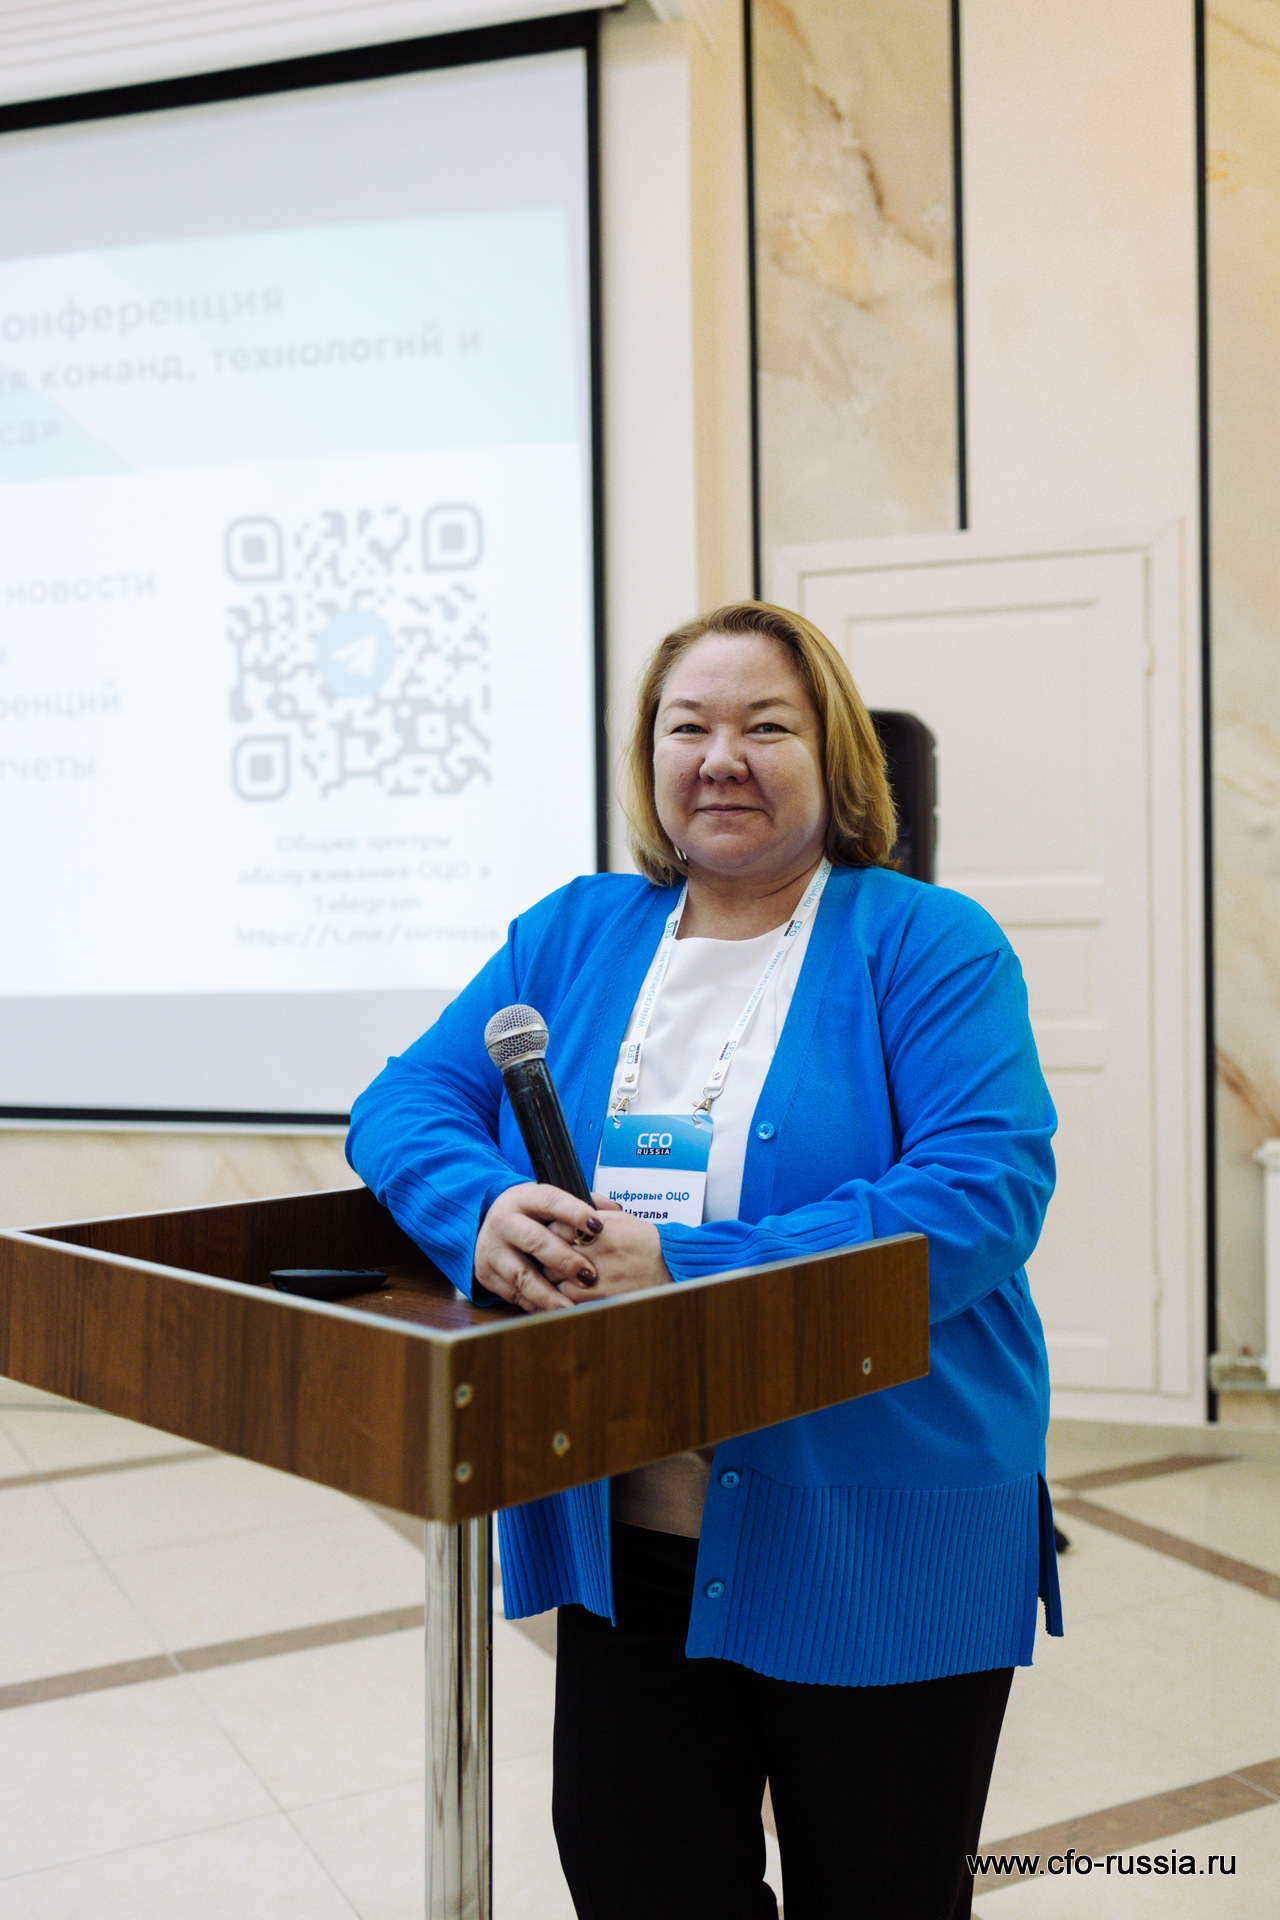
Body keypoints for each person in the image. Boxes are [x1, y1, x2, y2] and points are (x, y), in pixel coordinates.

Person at [347, 600, 1062, 1920]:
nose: (721, 757)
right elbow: (406, 1103)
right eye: (688, 727)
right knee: (642, 1885)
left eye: (765, 726)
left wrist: (686, 1265)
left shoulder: (927, 941)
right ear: (650, 758)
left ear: (837, 757)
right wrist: (480, 1208)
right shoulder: (573, 933)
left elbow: (981, 1193)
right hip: (632, 1535)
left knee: (883, 1896)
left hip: (877, 1526)